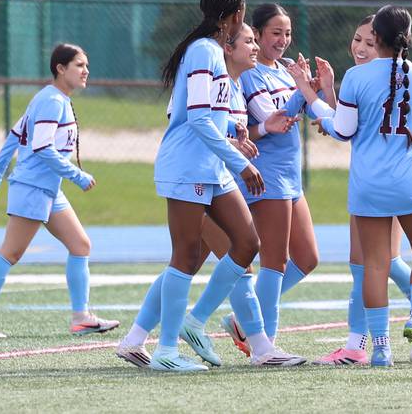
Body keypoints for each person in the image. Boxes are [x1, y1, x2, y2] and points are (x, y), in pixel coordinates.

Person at [117, 23, 305, 368]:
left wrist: (240, 142)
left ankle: (136, 339)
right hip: (196, 176)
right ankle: (247, 343)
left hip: (217, 178)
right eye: (249, 40)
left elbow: (227, 131)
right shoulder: (207, 69)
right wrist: (238, 150)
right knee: (219, 261)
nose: (255, 47)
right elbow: (188, 123)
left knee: (202, 258)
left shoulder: (232, 86)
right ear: (227, 48)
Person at [294, 5, 412, 367]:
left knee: (373, 266)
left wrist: (312, 97)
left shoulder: (357, 77)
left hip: (369, 186)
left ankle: (380, 350)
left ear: (376, 36)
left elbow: (344, 130)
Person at [0, 43, 119, 339]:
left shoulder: (51, 98)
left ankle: (81, 317)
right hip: (34, 188)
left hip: (47, 189)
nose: (86, 71)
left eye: (86, 65)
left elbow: (13, 137)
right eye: (79, 65)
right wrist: (77, 176)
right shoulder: (52, 100)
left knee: (80, 245)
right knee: (11, 252)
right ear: (60, 69)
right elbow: (42, 147)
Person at [225, 4, 328, 351]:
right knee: (275, 260)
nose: (282, 40)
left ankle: (245, 317)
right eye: (274, 33)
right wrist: (302, 89)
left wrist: (317, 87)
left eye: (287, 33)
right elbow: (270, 121)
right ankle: (265, 342)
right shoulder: (251, 73)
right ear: (257, 34)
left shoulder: (286, 69)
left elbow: (314, 109)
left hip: (289, 176)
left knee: (308, 258)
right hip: (265, 174)